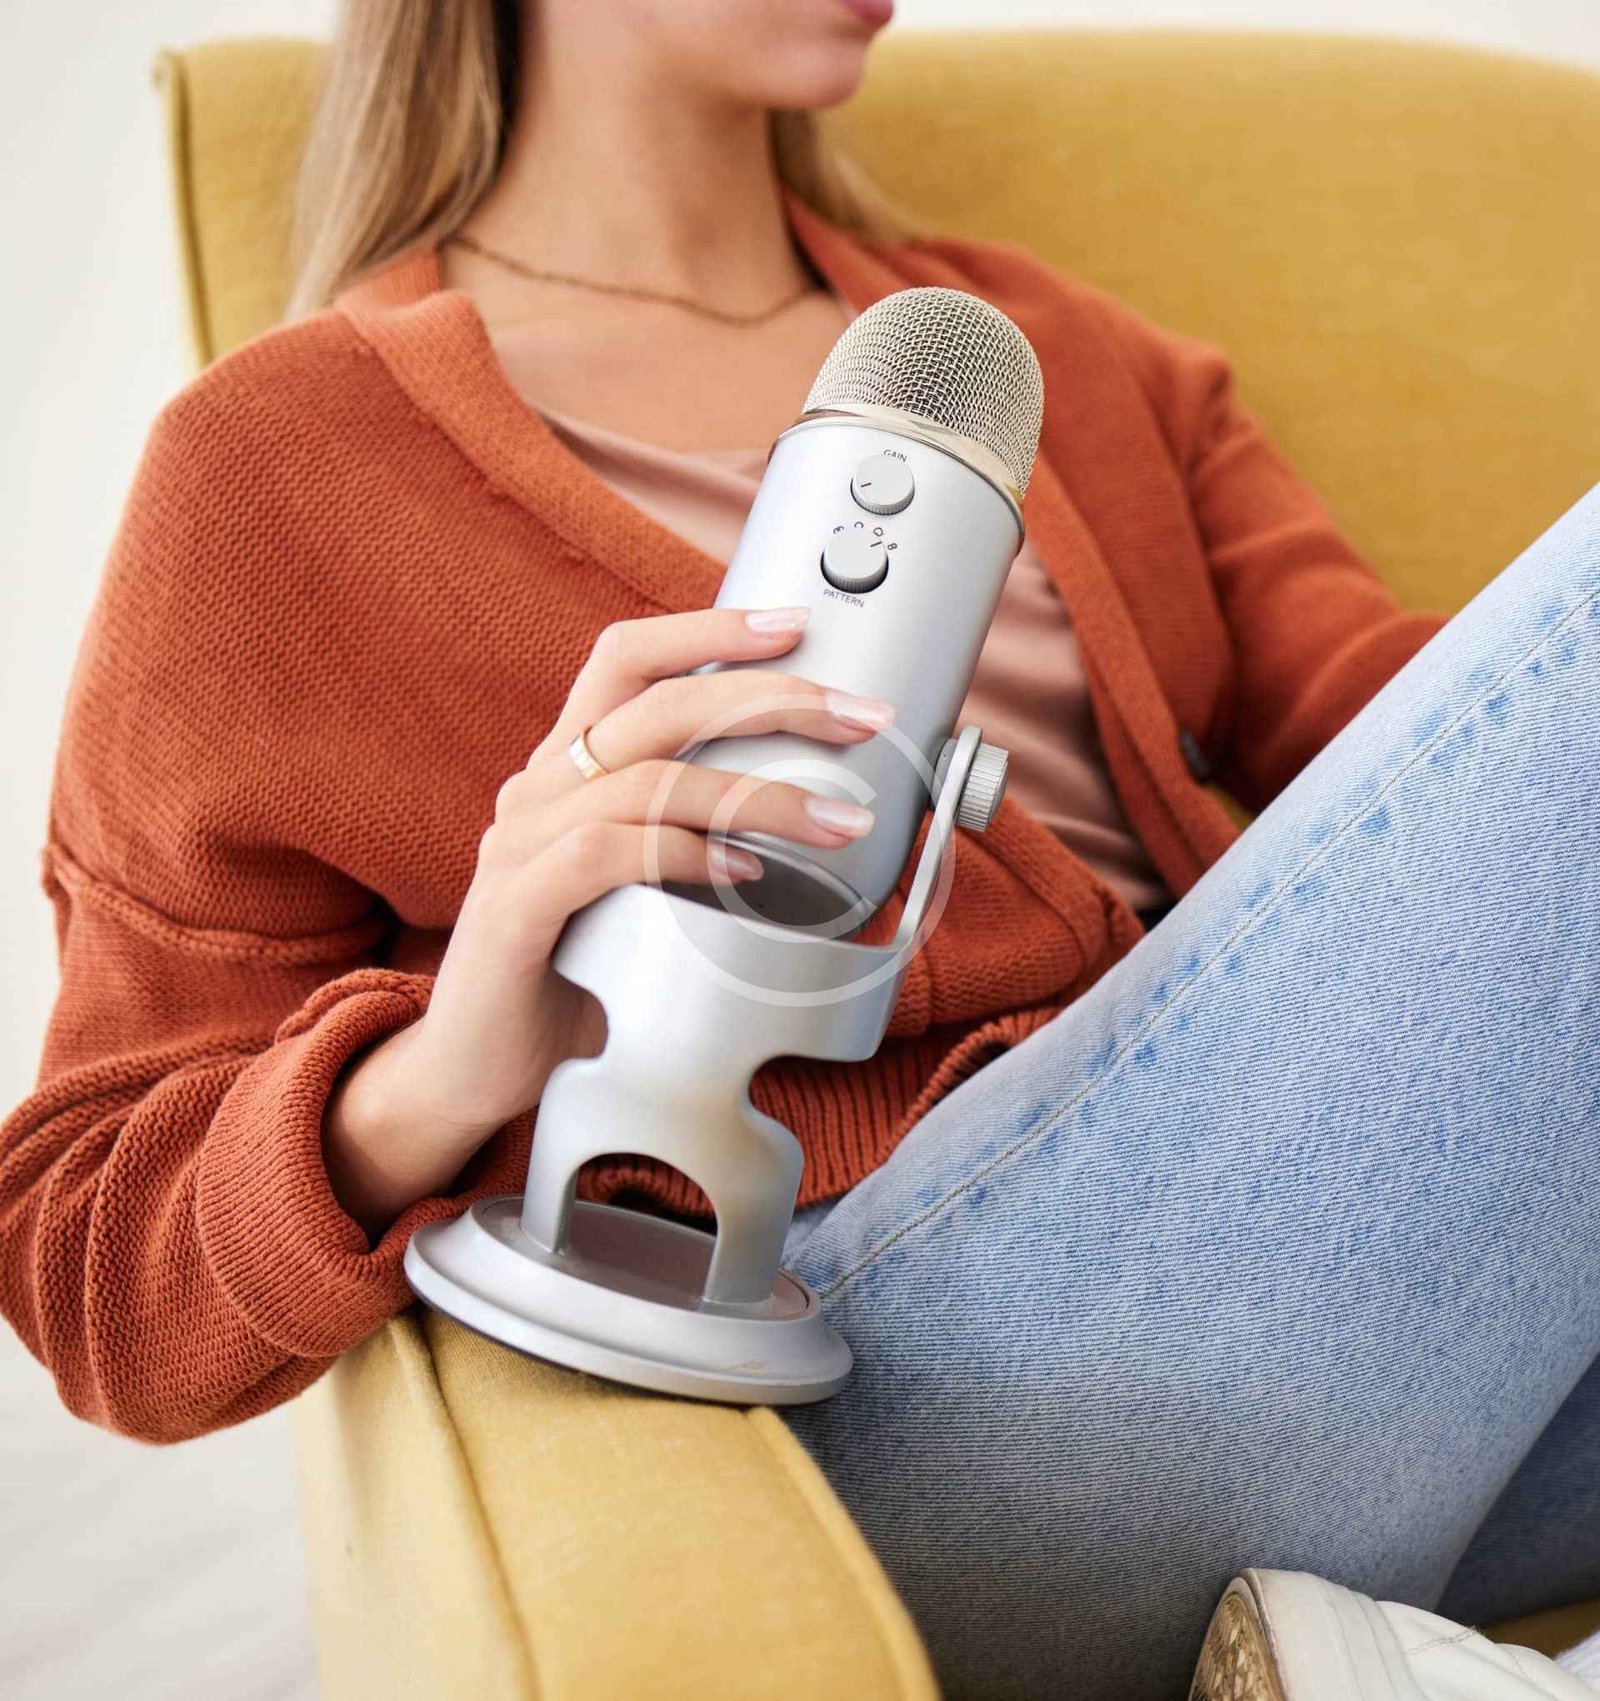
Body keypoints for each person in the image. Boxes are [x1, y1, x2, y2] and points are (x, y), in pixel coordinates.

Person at [0, 2, 1594, 1696]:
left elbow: (1445, 751)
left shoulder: (1054, 356)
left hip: (1338, 1267)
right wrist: (441, 1067)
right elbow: (82, 1261)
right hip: (892, 1354)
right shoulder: (278, 468)